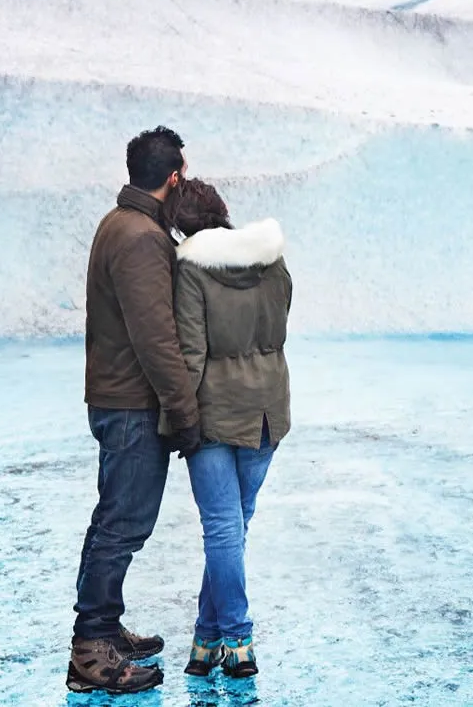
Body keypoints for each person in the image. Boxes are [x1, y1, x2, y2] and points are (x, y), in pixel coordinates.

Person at [70, 127, 202, 695]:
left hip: (115, 396)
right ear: (172, 177)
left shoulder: (116, 223)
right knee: (122, 524)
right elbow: (156, 338)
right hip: (131, 405)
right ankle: (91, 648)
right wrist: (185, 412)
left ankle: (103, 628)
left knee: (114, 519)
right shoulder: (144, 237)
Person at [163, 177, 293, 680]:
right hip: (267, 410)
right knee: (233, 527)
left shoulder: (192, 271)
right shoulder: (273, 261)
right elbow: (279, 325)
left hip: (213, 414)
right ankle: (206, 638)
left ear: (182, 226)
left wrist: (176, 420)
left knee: (222, 527)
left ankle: (238, 639)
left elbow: (191, 355)